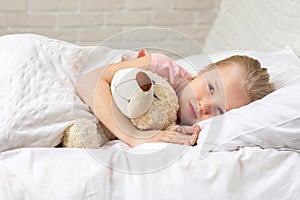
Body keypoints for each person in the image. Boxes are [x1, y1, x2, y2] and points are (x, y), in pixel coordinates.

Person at [75, 50, 274, 147]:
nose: (204, 106)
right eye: (211, 88)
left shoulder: (189, 129)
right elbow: (88, 82)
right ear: (199, 74)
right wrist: (132, 136)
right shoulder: (163, 69)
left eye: (220, 111)